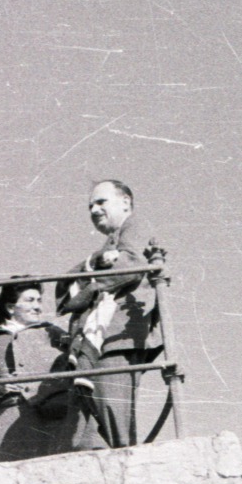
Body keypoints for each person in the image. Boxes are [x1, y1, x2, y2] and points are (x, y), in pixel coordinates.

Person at [54, 180, 161, 448]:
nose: (94, 209)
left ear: (125, 201)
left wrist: (87, 283)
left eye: (101, 202)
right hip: (99, 339)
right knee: (91, 422)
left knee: (114, 415)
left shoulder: (135, 226)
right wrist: (95, 263)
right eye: (90, 205)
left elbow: (130, 264)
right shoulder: (107, 246)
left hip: (116, 336)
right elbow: (63, 288)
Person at [0, 277, 77, 461]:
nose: (38, 306)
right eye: (30, 300)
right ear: (10, 307)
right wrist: (0, 389)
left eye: (39, 300)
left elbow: (77, 367)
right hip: (10, 421)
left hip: (54, 419)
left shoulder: (54, 334)